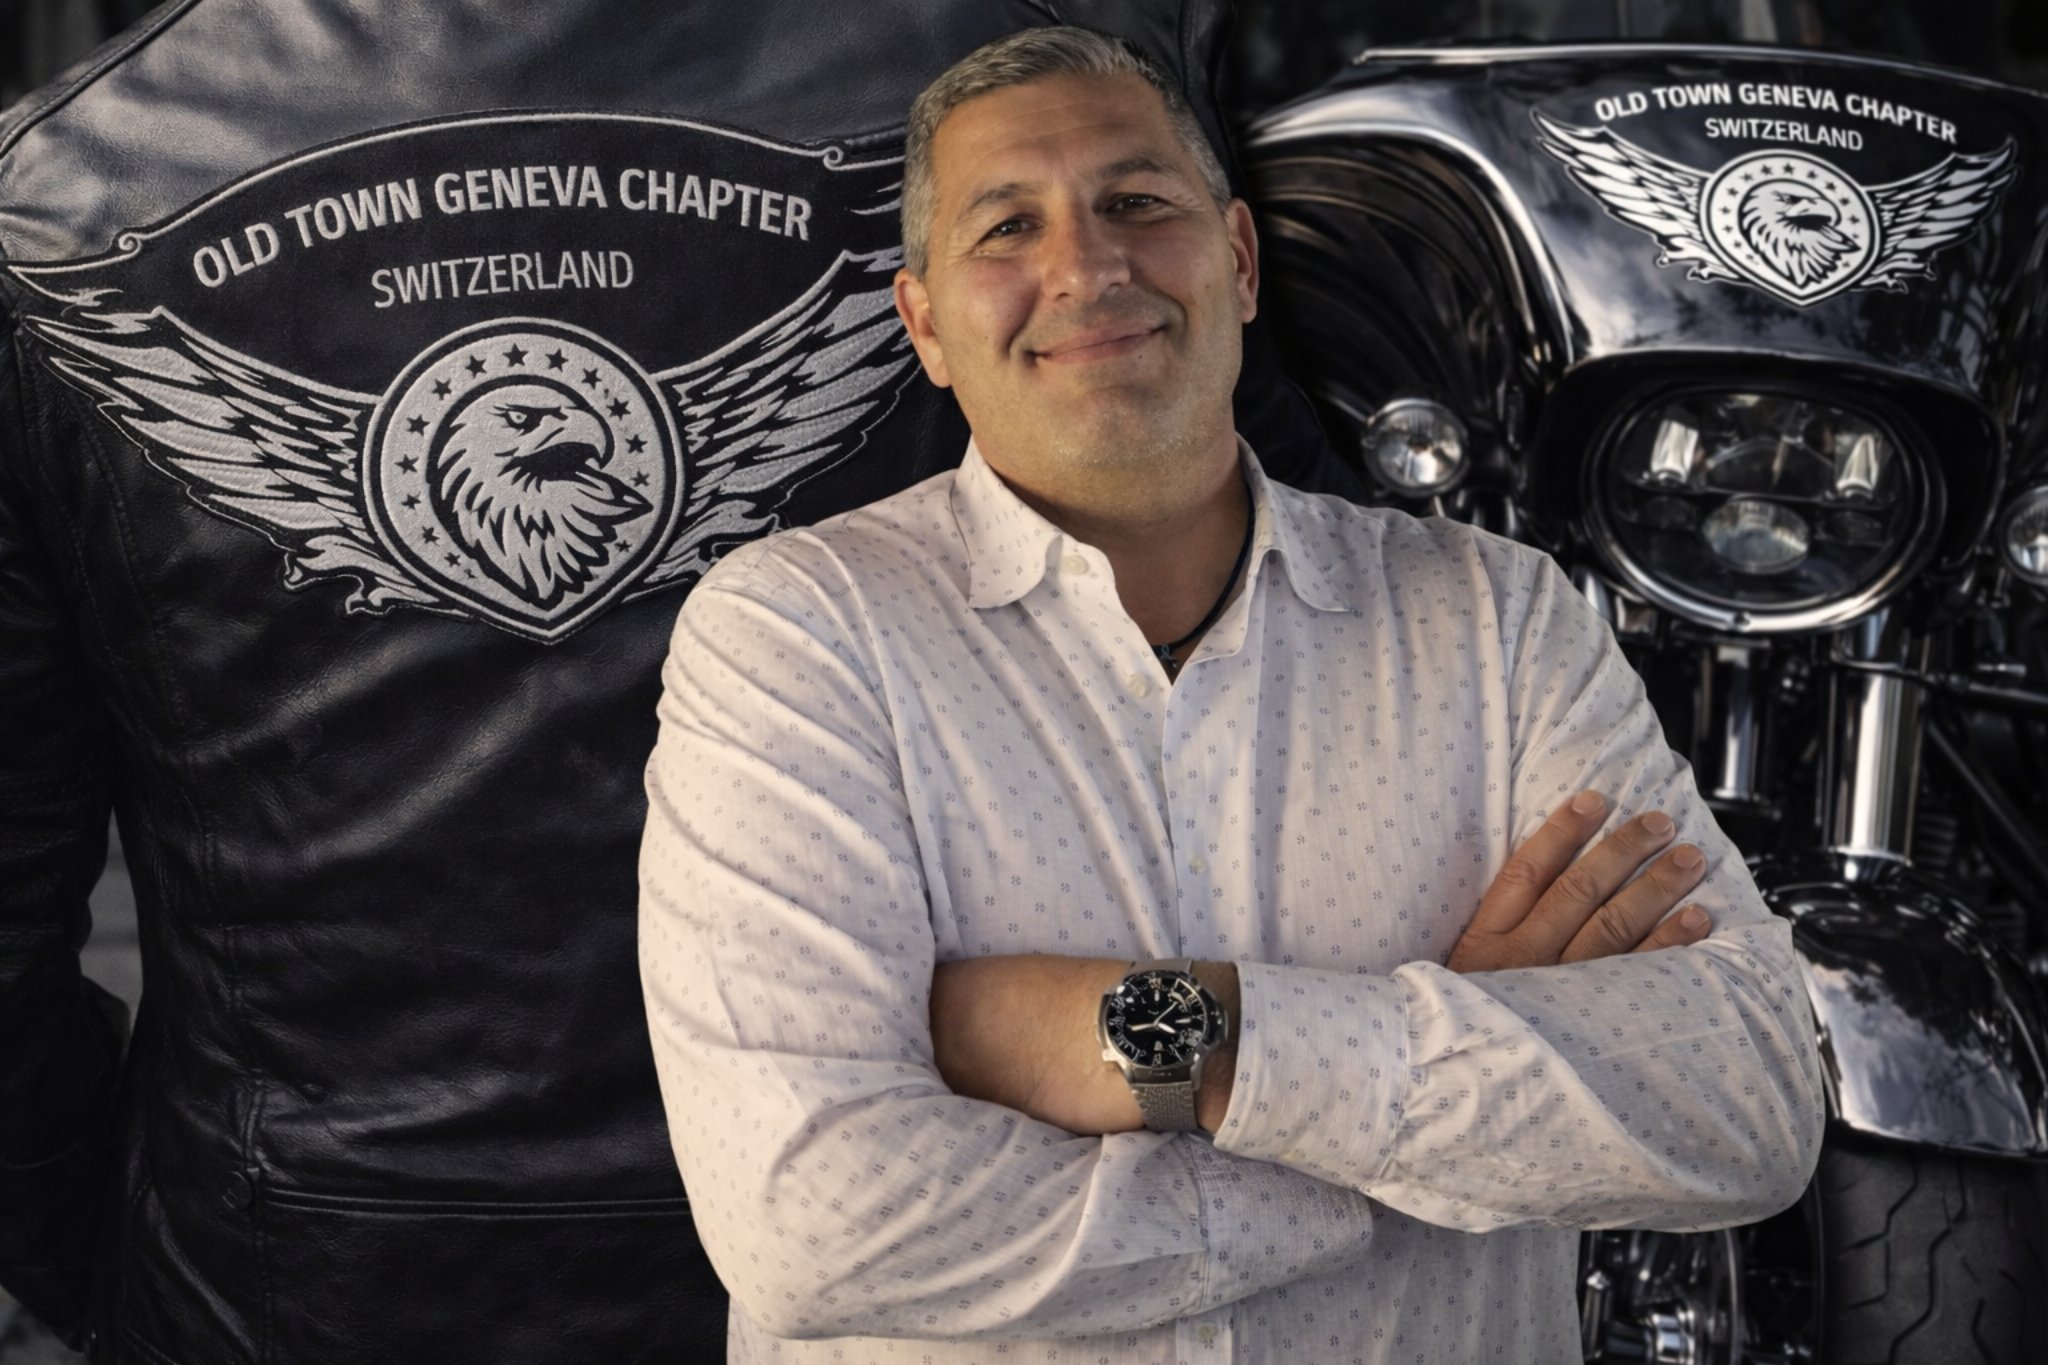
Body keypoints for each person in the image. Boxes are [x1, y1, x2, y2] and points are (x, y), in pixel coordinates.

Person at [0, 4, 1345, 1361]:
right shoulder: (1064, 93)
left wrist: (135, 1278)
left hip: (315, 1279)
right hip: (968, 1252)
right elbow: (1311, 693)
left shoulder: (63, 187)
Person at [638, 23, 1824, 1363]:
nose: (1088, 267)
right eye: (1007, 228)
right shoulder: (799, 636)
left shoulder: (1498, 620)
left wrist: (1195, 1041)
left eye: (1139, 202)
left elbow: (1750, 1098)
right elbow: (815, 1223)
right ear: (925, 327)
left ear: (1242, 263)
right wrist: (1396, 1130)